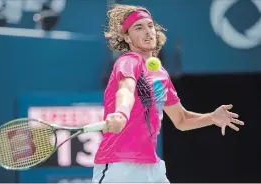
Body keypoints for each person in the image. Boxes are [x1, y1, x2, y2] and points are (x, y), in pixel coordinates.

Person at [92, 4, 244, 183]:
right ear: (127, 38)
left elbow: (181, 120)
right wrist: (121, 113)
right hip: (119, 165)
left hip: (152, 167)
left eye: (150, 26)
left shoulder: (161, 75)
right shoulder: (128, 61)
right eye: (138, 28)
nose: (148, 31)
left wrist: (211, 118)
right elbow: (126, 89)